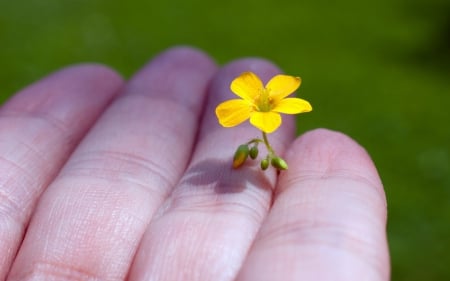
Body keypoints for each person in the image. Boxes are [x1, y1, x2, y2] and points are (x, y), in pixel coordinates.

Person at [0, 47, 389, 281]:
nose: (266, 101)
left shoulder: (278, 104)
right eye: (263, 100)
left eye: (268, 100)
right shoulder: (259, 111)